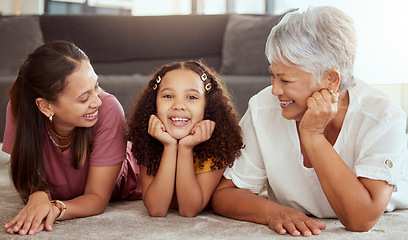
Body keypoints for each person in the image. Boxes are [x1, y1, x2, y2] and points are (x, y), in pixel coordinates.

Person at [211, 6, 408, 237]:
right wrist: (273, 212)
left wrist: (313, 135)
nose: (274, 90)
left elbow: (361, 219)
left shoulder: (382, 116)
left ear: (331, 79)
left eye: (285, 80)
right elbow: (226, 194)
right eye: (272, 75)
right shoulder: (262, 107)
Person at [2, 40, 142, 236]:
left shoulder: (108, 109)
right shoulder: (19, 109)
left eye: (97, 86)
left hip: (132, 184)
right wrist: (37, 195)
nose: (97, 101)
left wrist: (54, 208)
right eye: (84, 98)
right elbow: (27, 170)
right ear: (45, 106)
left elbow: (97, 198)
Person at [127, 60, 243, 217]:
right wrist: (169, 146)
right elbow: (156, 209)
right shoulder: (147, 137)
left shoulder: (220, 140)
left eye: (192, 97)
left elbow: (189, 209)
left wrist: (186, 147)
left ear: (207, 105)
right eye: (168, 96)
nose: (179, 105)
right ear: (154, 103)